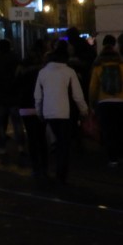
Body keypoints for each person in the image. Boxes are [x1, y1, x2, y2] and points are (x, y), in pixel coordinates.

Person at [35, 40, 89, 184]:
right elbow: (78, 95)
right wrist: (84, 110)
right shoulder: (69, 72)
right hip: (65, 113)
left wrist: (39, 111)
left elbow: (38, 96)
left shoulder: (43, 72)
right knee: (64, 143)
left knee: (56, 141)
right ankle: (61, 173)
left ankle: (54, 169)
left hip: (48, 112)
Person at [89, 34, 123, 167]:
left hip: (104, 102)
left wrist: (92, 101)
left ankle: (112, 158)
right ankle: (122, 155)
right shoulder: (122, 62)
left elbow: (94, 85)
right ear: (115, 46)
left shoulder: (98, 63)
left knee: (108, 130)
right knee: (122, 130)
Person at [0, 39, 26, 162]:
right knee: (17, 123)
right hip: (14, 97)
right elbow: (21, 78)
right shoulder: (16, 59)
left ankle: (2, 147)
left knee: (0, 124)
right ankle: (21, 147)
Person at [14, 42, 47, 183]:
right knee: (41, 137)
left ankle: (35, 167)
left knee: (32, 138)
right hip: (41, 106)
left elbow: (16, 85)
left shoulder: (21, 68)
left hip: (25, 106)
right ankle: (44, 167)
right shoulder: (44, 69)